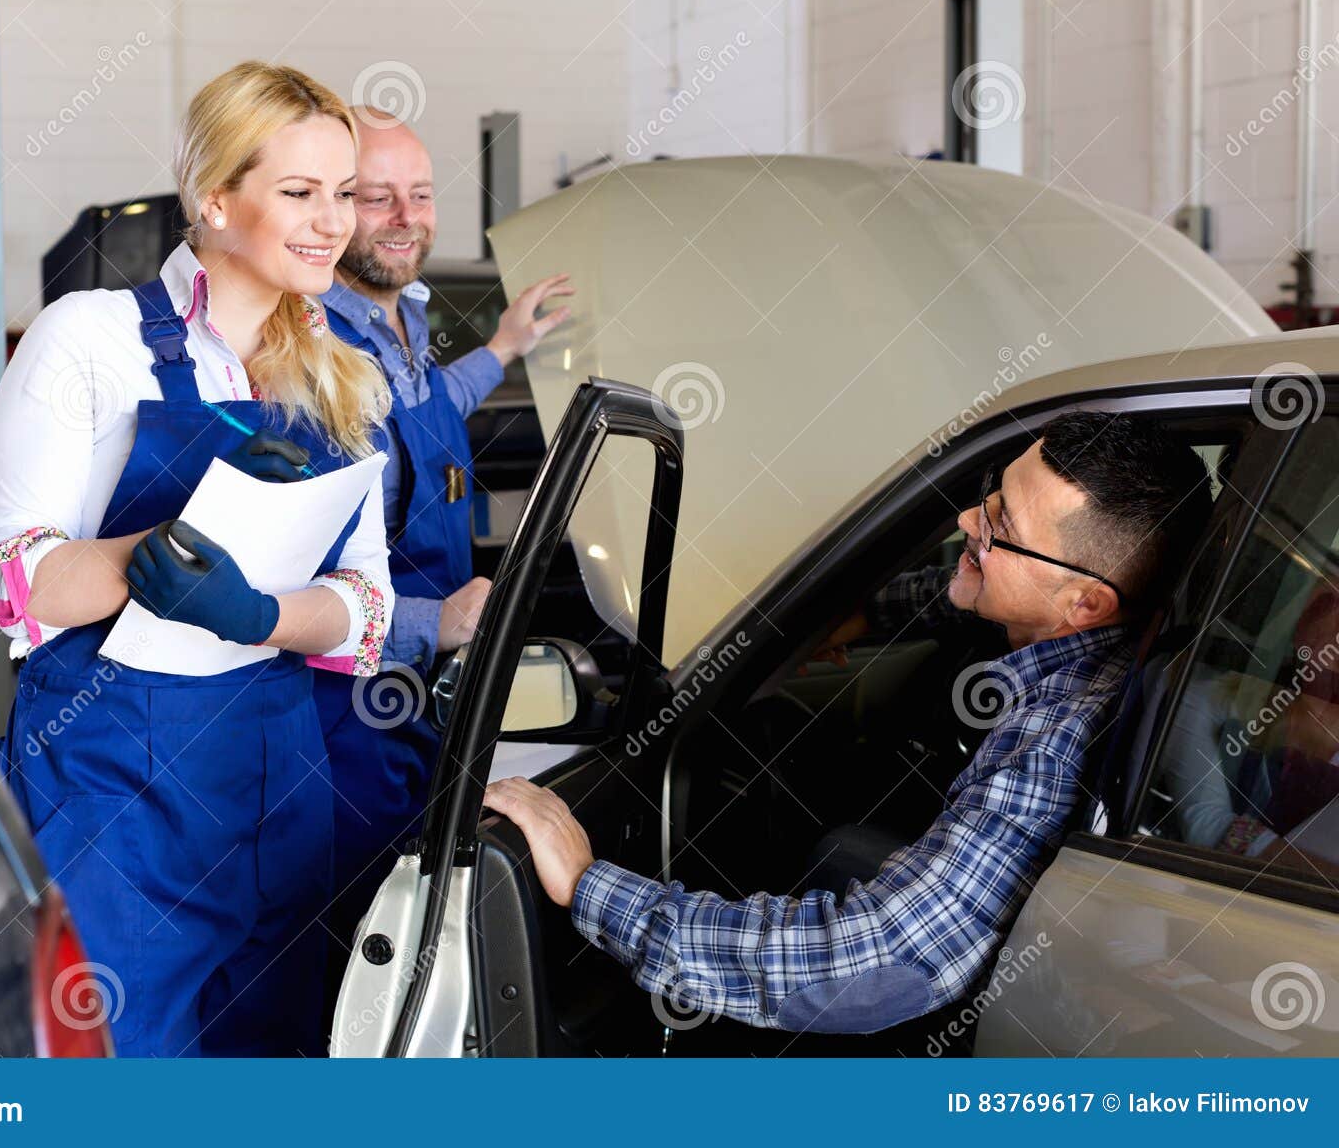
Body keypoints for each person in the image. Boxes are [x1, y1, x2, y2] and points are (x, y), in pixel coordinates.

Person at [485, 411, 1213, 1034]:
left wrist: (587, 883)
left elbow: (870, 961)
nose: (968, 518)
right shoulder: (1061, 628)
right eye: (991, 491)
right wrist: (845, 617)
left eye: (1001, 524)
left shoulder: (1053, 741)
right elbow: (945, 591)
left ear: (1084, 602)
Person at [0, 62, 392, 1057]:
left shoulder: (338, 372)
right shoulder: (91, 338)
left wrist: (257, 614)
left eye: (342, 193)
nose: (331, 220)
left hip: (280, 797)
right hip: (116, 804)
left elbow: (363, 602)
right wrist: (149, 557)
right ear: (214, 197)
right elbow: (11, 585)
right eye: (298, 192)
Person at [310, 107, 572, 945]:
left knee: (425, 893)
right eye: (377, 197)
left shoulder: (402, 313)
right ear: (335, 207)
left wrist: (504, 345)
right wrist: (441, 620)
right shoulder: (310, 349)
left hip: (426, 686)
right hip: (350, 704)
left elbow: (423, 410)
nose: (405, 217)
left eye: (419, 195)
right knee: (362, 918)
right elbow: (281, 585)